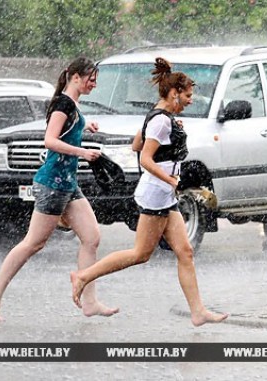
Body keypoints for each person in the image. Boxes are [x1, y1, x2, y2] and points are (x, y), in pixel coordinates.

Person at [70, 57, 228, 327]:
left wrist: (165, 138)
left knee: (185, 251)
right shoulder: (162, 121)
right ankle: (84, 276)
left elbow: (135, 144)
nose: (191, 100)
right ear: (174, 93)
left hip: (164, 195)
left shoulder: (160, 117)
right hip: (157, 194)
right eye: (188, 96)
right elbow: (144, 158)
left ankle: (198, 311)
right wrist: (170, 179)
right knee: (140, 254)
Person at [0, 57, 118, 322]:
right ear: (75, 77)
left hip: (68, 183)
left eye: (95, 79)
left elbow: (67, 127)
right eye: (91, 79)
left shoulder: (72, 105)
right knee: (34, 243)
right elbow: (50, 140)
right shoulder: (62, 104)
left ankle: (89, 301)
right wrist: (83, 152)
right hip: (51, 185)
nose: (94, 84)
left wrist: (85, 125)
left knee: (91, 238)